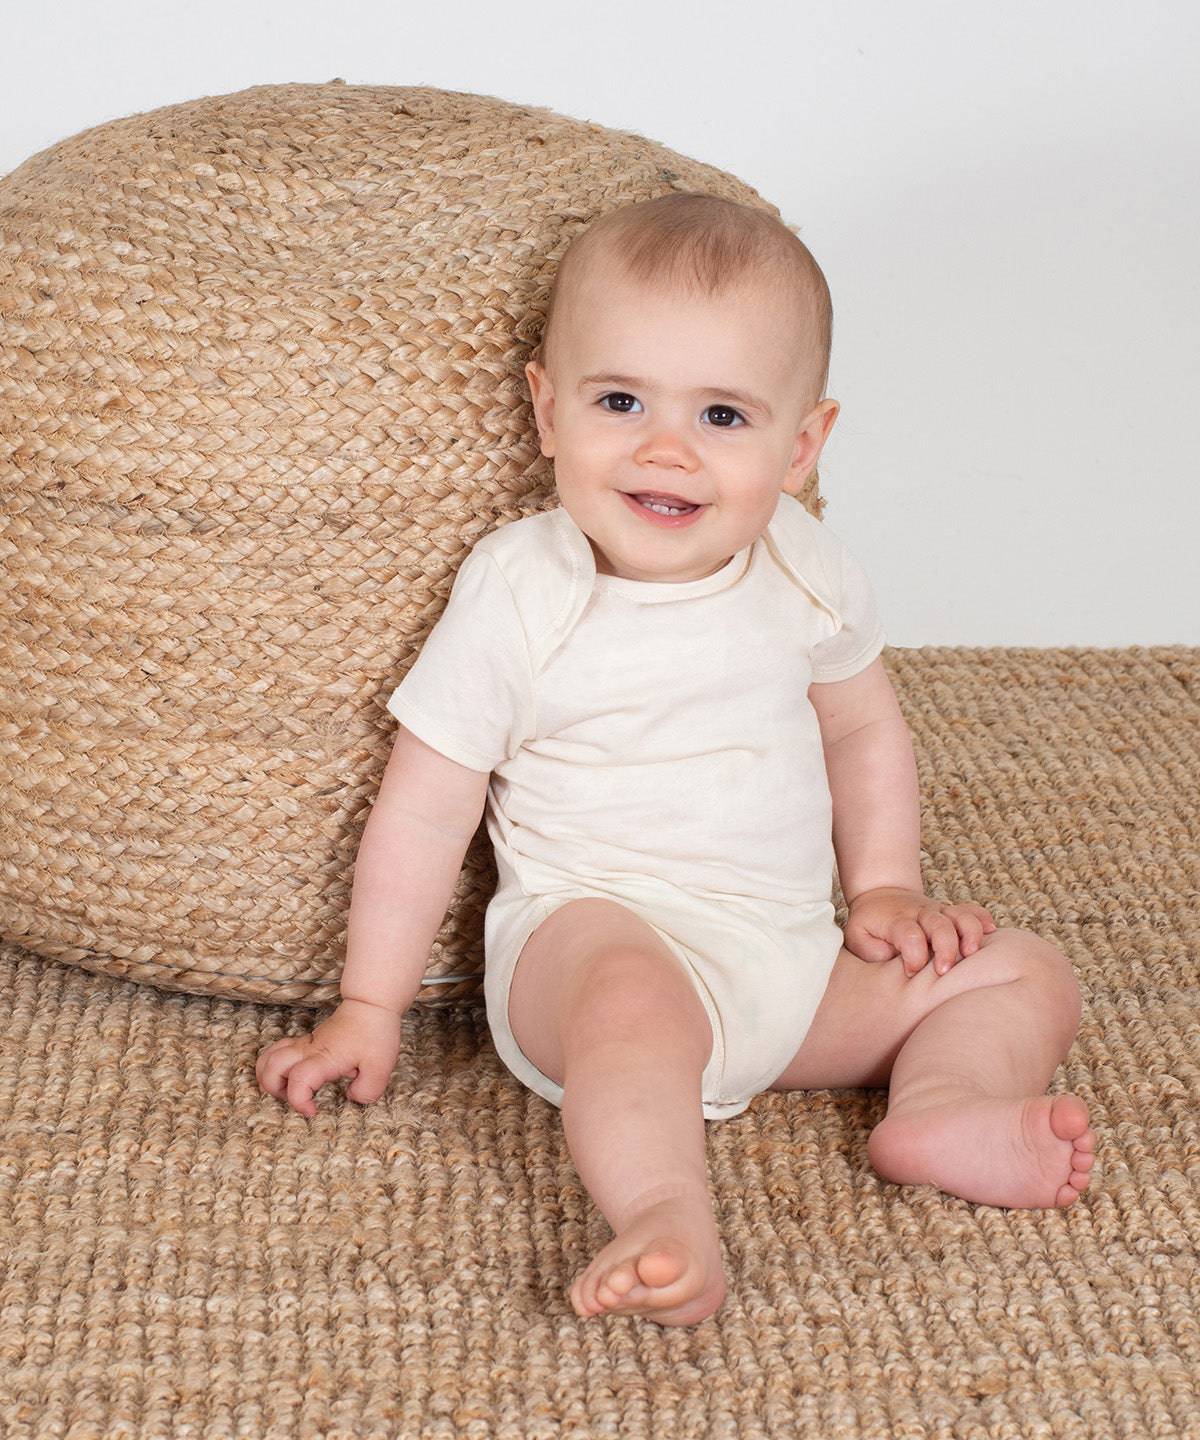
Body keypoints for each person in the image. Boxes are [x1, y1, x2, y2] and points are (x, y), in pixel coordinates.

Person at [257, 192, 1095, 1328]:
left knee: (1024, 969)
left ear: (801, 448)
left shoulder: (805, 567)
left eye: (723, 416)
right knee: (631, 1000)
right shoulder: (524, 589)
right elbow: (425, 801)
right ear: (547, 412)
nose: (666, 449)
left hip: (785, 962)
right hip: (593, 937)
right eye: (619, 400)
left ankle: (942, 1110)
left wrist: (888, 885)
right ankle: (663, 1209)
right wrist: (369, 1004)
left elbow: (860, 728)